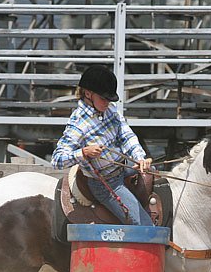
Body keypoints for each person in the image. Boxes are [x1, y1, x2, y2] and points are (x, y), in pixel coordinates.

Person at [51, 65, 153, 226]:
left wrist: (140, 158)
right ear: (88, 94)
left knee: (154, 176)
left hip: (122, 167)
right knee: (144, 225)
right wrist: (83, 152)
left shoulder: (110, 110)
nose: (107, 103)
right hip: (105, 184)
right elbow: (57, 160)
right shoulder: (78, 123)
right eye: (104, 98)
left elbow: (126, 136)